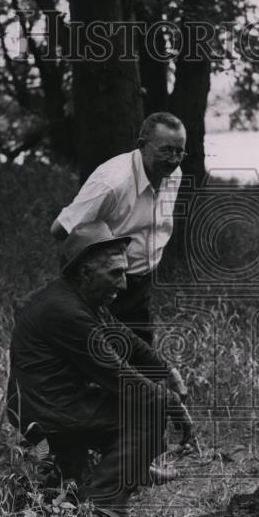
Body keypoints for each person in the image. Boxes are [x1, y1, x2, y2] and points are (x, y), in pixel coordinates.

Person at [7, 221, 192, 517]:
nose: (123, 285)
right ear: (85, 272)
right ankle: (104, 508)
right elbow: (118, 377)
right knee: (148, 410)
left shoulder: (80, 297)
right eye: (115, 274)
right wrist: (172, 404)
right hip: (46, 412)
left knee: (147, 400)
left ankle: (117, 471)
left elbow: (123, 336)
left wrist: (167, 370)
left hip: (51, 403)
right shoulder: (67, 311)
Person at [51, 112, 186, 344]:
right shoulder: (112, 182)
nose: (173, 159)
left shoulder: (173, 175)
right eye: (166, 150)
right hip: (101, 284)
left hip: (140, 282)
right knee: (93, 354)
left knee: (139, 356)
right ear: (142, 146)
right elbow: (60, 230)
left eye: (179, 151)